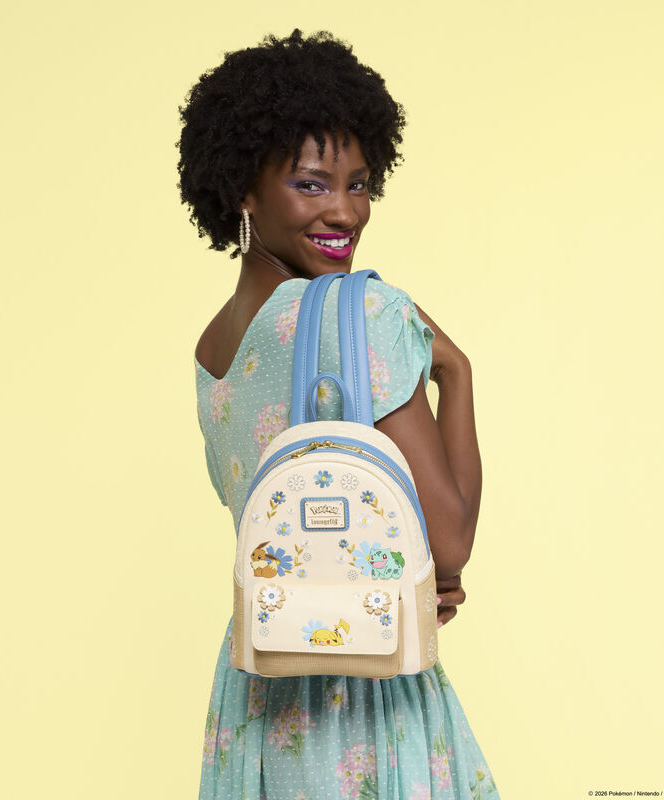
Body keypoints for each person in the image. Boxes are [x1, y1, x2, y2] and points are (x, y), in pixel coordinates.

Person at [177, 29, 500, 800]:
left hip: (259, 692)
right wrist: (455, 371)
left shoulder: (212, 351)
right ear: (243, 188)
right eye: (312, 184)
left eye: (359, 185)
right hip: (357, 692)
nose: (345, 212)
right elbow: (448, 544)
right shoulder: (362, 314)